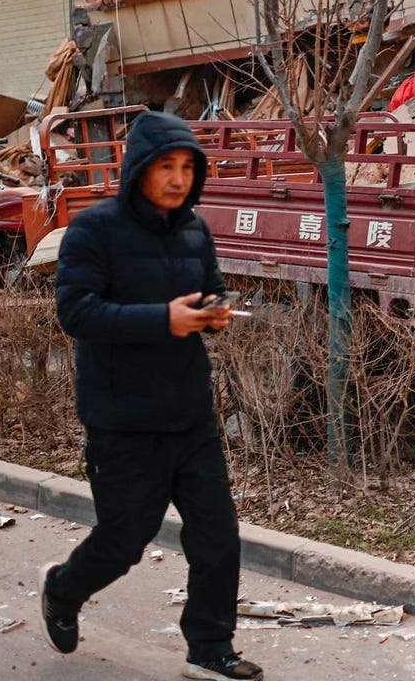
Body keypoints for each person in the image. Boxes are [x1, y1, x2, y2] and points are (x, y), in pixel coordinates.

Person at [39, 109, 262, 681]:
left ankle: (211, 649)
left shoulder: (195, 229)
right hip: (122, 416)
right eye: (166, 165)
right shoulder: (94, 229)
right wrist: (163, 319)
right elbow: (75, 311)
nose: (179, 178)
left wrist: (213, 313)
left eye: (188, 167)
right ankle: (63, 589)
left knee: (217, 536)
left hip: (190, 412)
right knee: (125, 539)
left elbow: (206, 289)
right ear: (139, 167)